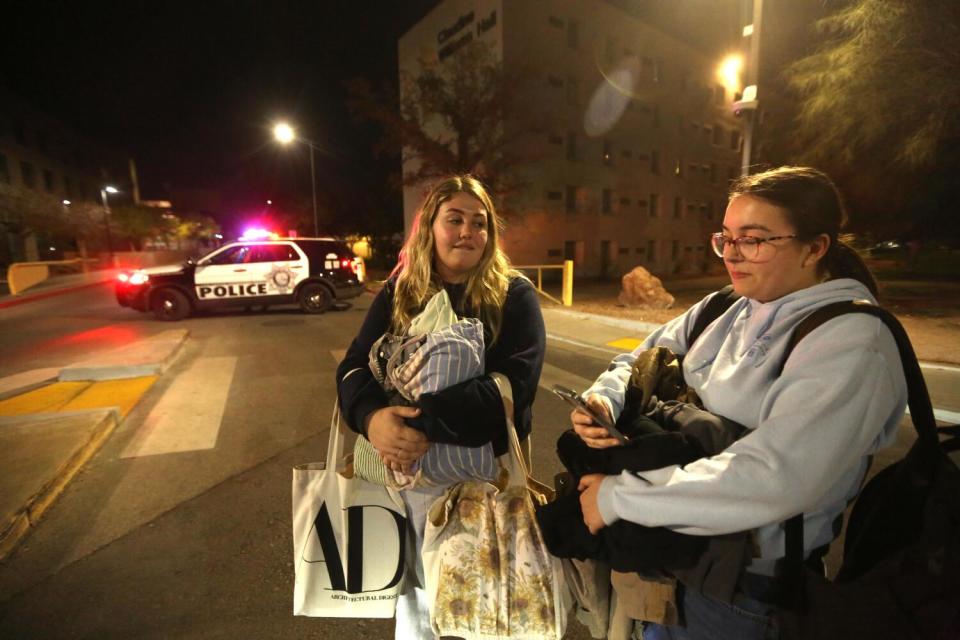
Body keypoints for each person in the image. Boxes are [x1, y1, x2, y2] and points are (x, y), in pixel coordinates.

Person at [572, 166, 908, 639]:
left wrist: (620, 498)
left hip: (745, 595)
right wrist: (603, 399)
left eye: (752, 239)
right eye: (725, 237)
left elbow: (775, 475)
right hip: (671, 560)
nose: (732, 254)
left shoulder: (852, 341)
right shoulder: (725, 306)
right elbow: (642, 358)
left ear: (815, 248)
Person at [335, 175, 545, 640]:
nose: (467, 232)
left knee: (487, 612)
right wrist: (373, 420)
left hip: (485, 488)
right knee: (420, 609)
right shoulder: (398, 292)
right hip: (406, 490)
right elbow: (353, 366)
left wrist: (417, 423)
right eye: (454, 219)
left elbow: (515, 389)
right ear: (430, 226)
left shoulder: (514, 296)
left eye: (479, 222)